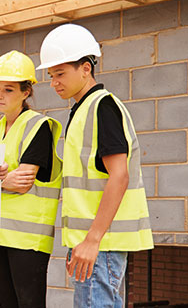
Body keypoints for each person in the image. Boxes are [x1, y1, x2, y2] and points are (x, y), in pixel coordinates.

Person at [37, 24, 153, 307]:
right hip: (93, 243)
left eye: (61, 74)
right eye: (51, 76)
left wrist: (92, 239)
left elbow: (120, 176)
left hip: (101, 244)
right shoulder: (81, 109)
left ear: (86, 68)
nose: (54, 83)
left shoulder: (103, 107)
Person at [0, 50, 63, 307]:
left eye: (8, 90)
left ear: (26, 92)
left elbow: (22, 182)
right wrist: (1, 181)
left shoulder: (38, 126)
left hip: (27, 240)